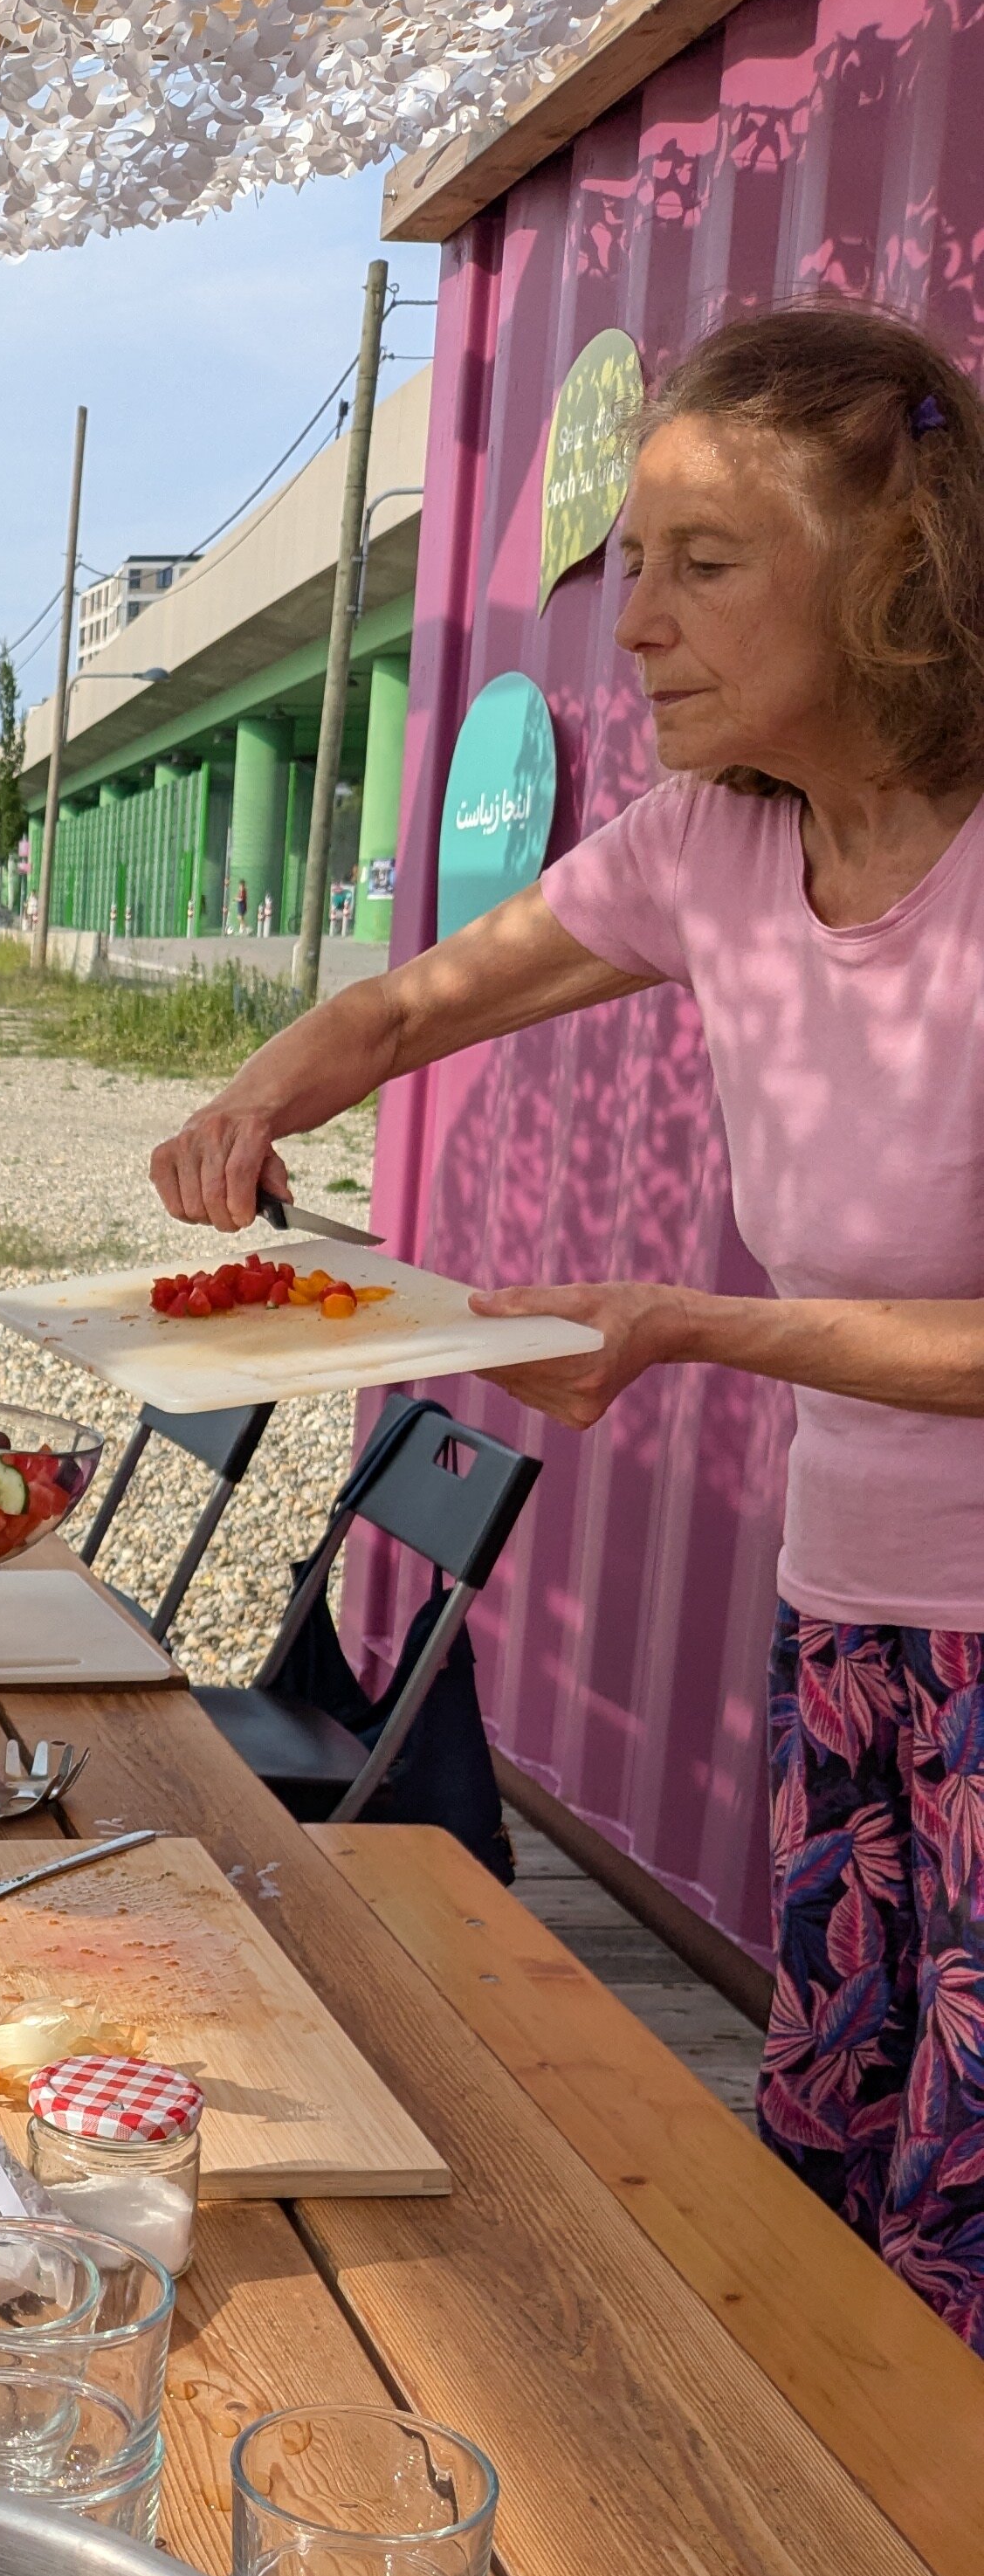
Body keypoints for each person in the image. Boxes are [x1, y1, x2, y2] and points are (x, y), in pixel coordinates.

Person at [153, 300, 984, 2346]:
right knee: (828, 2157)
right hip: (851, 1612)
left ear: (902, 570)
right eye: (634, 565)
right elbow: (424, 1000)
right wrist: (260, 1093)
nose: (639, 626)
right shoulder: (720, 841)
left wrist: (696, 1328)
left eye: (708, 565)